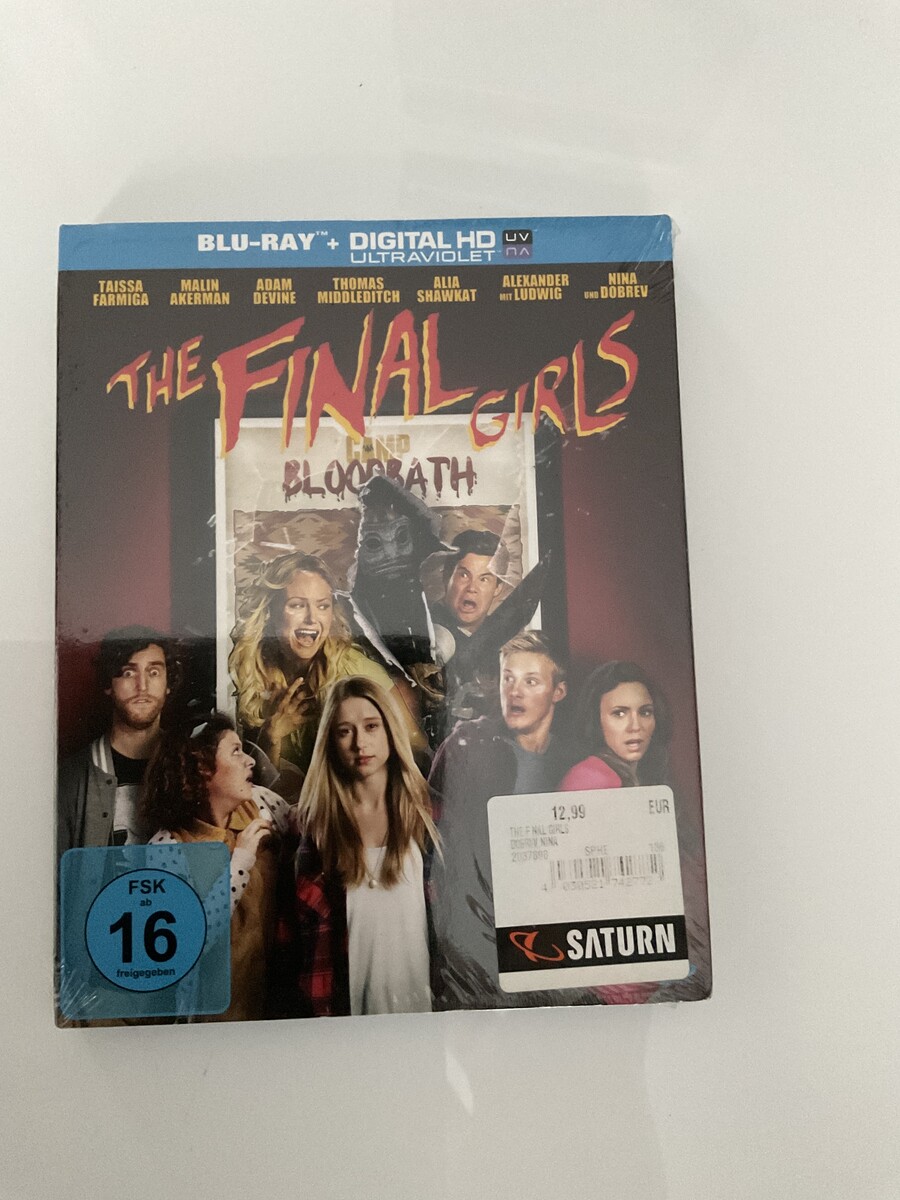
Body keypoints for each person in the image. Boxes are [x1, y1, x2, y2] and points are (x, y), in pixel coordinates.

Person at [428, 630, 579, 1009]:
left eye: (531, 681)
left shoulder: (574, 761)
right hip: (474, 938)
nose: (515, 692)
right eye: (508, 678)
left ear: (558, 691)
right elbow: (430, 839)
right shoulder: (467, 746)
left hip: (551, 931)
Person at [291, 676, 439, 1017]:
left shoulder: (431, 815)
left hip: (430, 1021)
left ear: (390, 729)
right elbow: (303, 948)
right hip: (347, 1023)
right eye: (345, 731)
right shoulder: (315, 829)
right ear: (330, 741)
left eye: (371, 726)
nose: (360, 743)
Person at [228, 552, 423, 798]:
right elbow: (261, 792)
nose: (312, 618)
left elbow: (416, 757)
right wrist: (271, 736)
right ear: (270, 611)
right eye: (297, 605)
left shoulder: (356, 671)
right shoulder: (254, 670)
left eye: (322, 606)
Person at [143, 714, 292, 1022]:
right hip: (216, 1024)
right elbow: (187, 943)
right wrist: (241, 861)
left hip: (277, 1013)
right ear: (202, 768)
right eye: (236, 751)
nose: (250, 760)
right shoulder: (166, 848)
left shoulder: (261, 803)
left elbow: (307, 826)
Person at [57, 626, 180, 856]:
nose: (142, 686)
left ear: (168, 684)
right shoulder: (72, 779)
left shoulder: (191, 765)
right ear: (108, 685)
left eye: (154, 672)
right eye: (128, 673)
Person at [560, 661, 671, 791]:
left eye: (645, 712)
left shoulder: (644, 773)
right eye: (619, 713)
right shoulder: (590, 778)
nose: (635, 726)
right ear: (596, 719)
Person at [431, 529, 506, 640]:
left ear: (498, 588)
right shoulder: (424, 627)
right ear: (446, 577)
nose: (471, 588)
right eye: (464, 575)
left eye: (483, 579)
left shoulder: (501, 635)